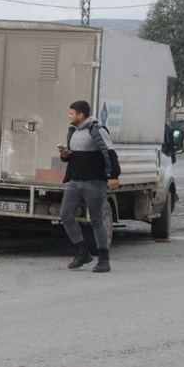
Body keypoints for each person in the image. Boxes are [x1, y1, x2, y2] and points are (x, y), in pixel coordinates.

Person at [58, 99, 119, 273]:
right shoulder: (73, 132)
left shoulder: (97, 130)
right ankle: (82, 252)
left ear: (81, 115)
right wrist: (66, 155)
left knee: (97, 221)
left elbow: (111, 154)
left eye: (71, 113)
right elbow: (73, 158)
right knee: (66, 215)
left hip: (95, 182)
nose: (69, 116)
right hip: (74, 182)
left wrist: (114, 175)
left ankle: (103, 260)